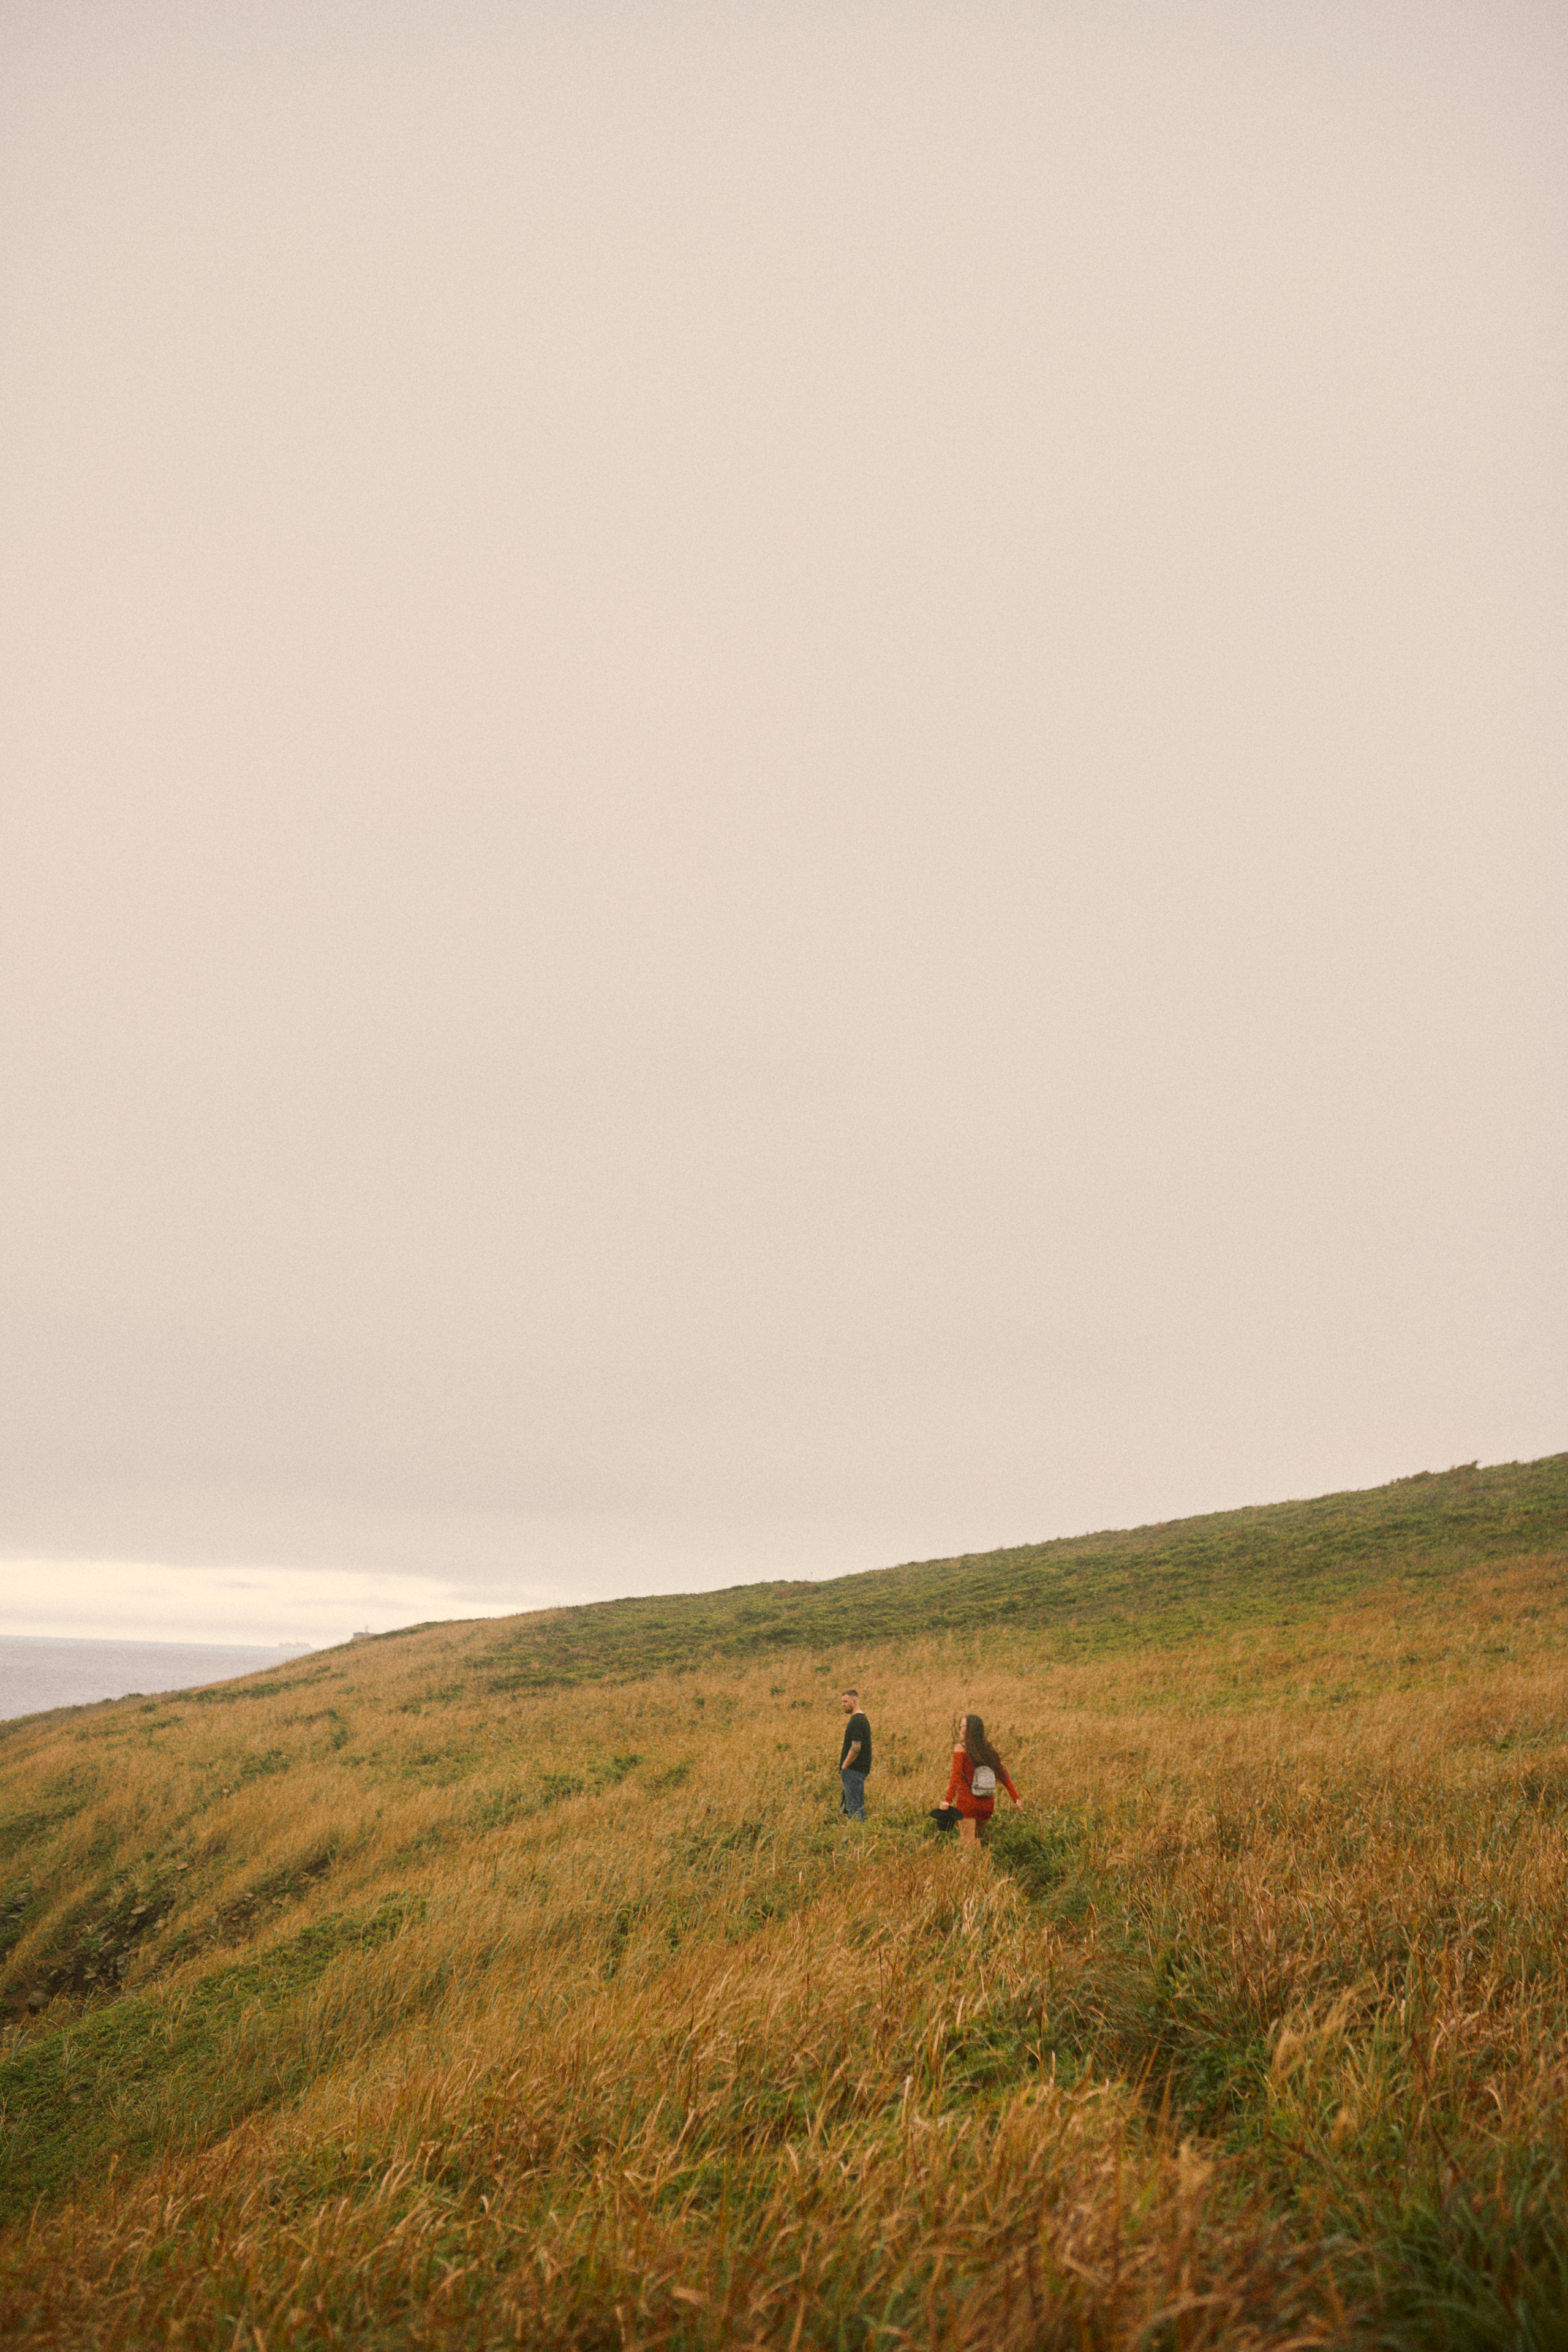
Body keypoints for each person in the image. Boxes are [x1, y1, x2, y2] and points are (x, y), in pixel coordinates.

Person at [932, 1711, 1021, 1850]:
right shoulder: (988, 1750)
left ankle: (967, 1871)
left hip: (967, 1804)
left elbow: (955, 1777)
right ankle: (979, 1870)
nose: (961, 1729)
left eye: (963, 1726)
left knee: (967, 1845)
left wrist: (948, 1801)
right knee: (976, 1839)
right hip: (987, 1804)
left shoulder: (961, 1748)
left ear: (970, 1729)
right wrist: (1016, 1798)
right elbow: (1003, 1775)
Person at [839, 1687, 872, 1820]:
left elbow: (856, 1748)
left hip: (853, 1770)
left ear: (855, 1701)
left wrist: (845, 1766)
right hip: (856, 1770)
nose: (843, 1705)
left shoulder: (857, 1721)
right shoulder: (860, 1719)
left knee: (854, 1809)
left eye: (846, 1702)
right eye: (842, 1702)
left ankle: (859, 1835)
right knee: (855, 1806)